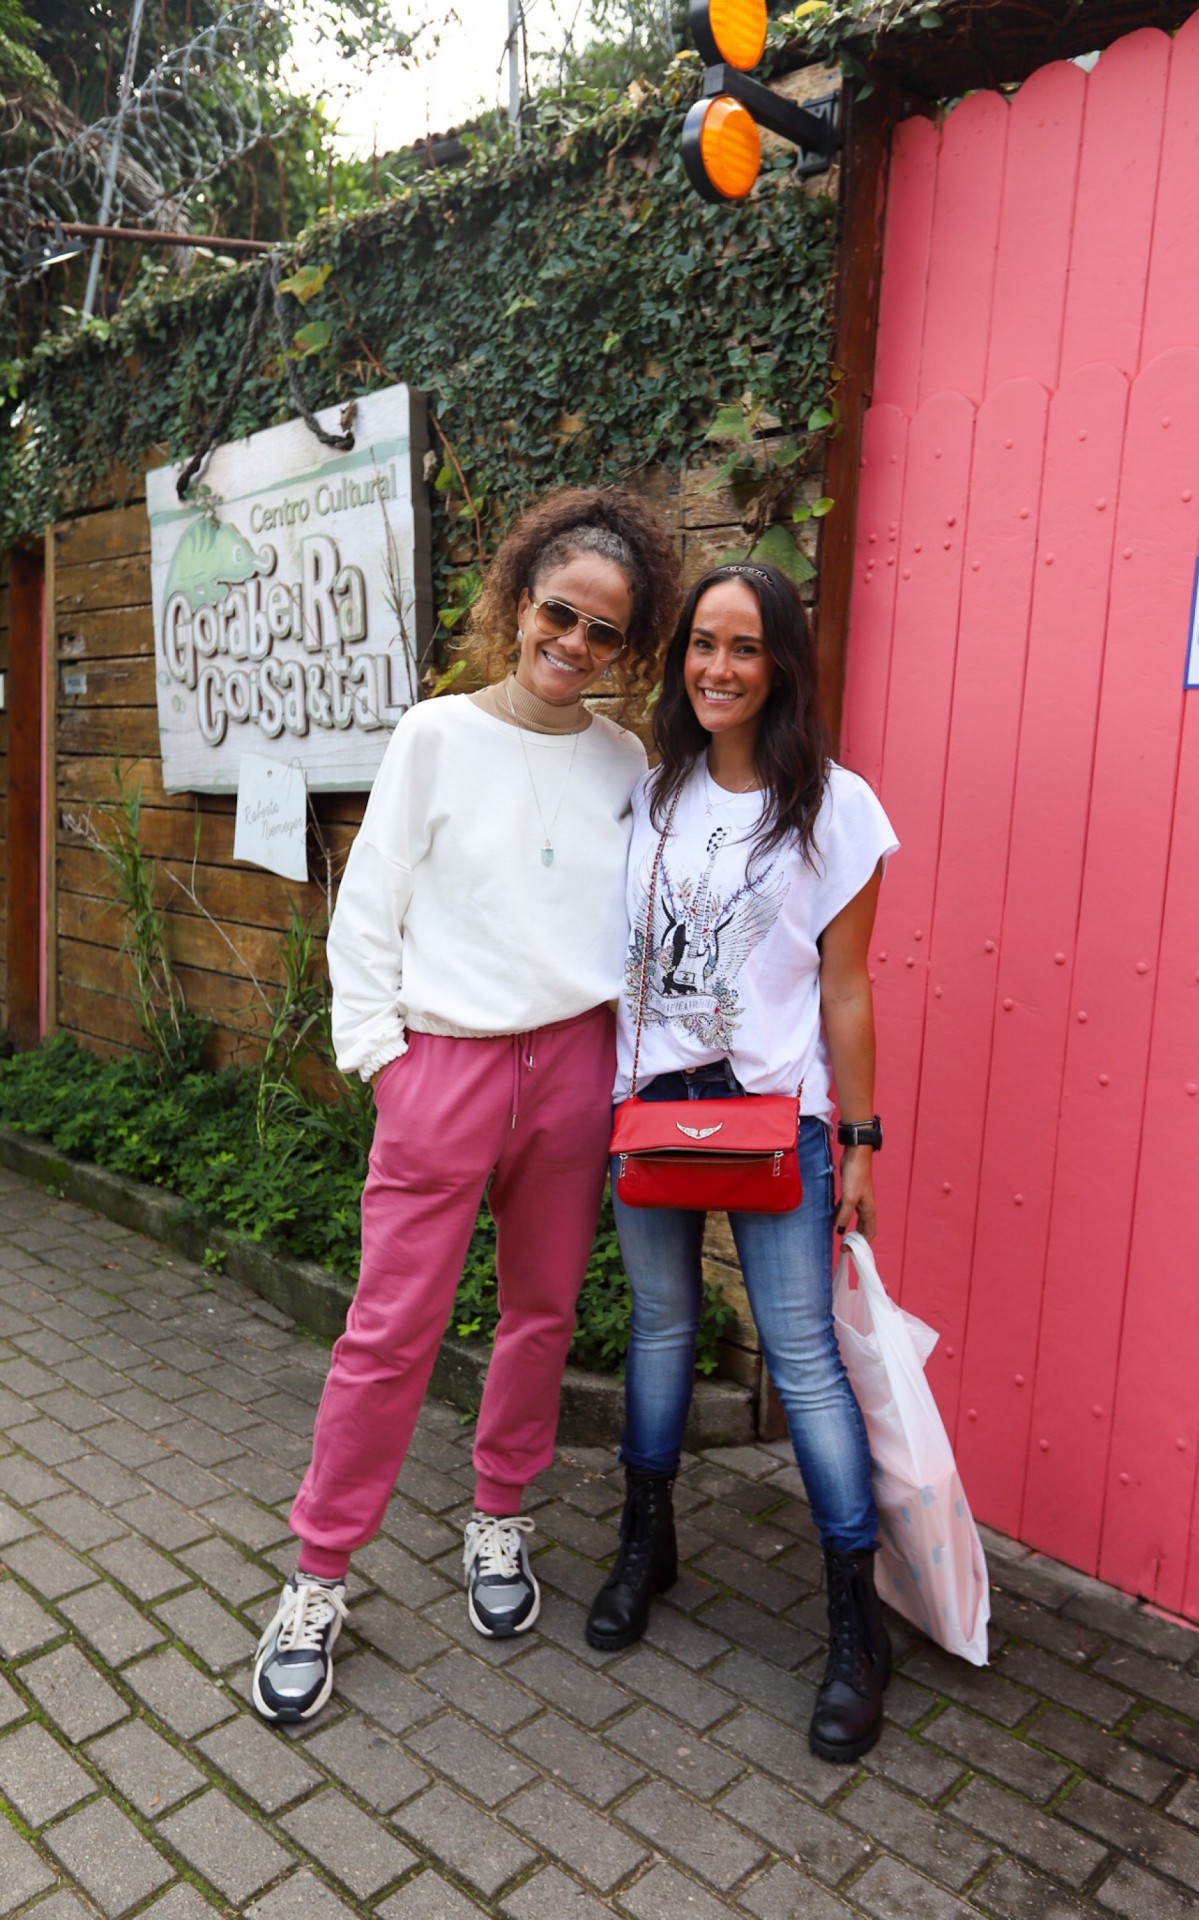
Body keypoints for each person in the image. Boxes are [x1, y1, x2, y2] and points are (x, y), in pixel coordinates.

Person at [252, 487, 681, 1724]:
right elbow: (369, 906)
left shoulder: (625, 761)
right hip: (444, 1069)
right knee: (389, 1330)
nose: (575, 645)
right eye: (560, 614)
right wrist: (382, 1061)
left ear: (628, 643)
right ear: (518, 602)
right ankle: (319, 1574)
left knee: (540, 1314)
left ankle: (500, 1513)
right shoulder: (435, 734)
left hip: (574, 1069)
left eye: (605, 631)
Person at [585, 560, 899, 1764]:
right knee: (659, 1328)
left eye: (745, 647)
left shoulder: (834, 807)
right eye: (701, 645)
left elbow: (846, 987)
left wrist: (858, 1138)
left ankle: (853, 1627)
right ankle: (644, 1543)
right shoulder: (650, 793)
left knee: (804, 1363)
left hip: (776, 1117)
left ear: (780, 666)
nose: (718, 668)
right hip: (650, 1108)